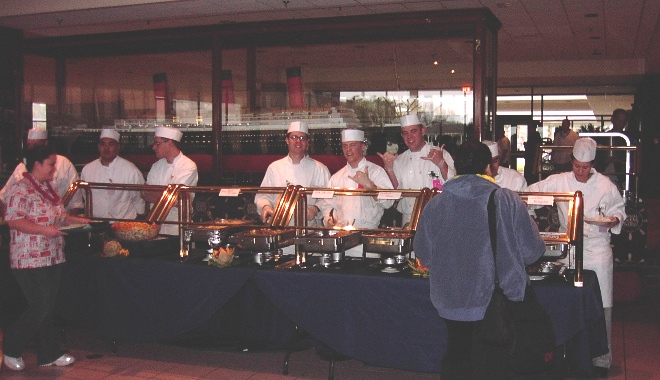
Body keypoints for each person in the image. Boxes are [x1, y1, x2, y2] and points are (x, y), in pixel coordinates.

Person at [414, 140, 545, 379]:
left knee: (458, 357)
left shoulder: (435, 204)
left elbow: (423, 253)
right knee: (493, 364)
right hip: (496, 301)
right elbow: (532, 251)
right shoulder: (506, 200)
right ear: (488, 167)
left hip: (451, 301)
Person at [527, 137, 626, 377]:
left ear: (593, 164)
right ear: (571, 161)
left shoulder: (605, 185)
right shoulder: (559, 181)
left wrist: (614, 219)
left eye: (586, 167)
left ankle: (601, 358)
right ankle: (568, 354)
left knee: (601, 305)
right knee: (569, 302)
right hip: (568, 250)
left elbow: (619, 210)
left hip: (598, 249)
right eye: (577, 166)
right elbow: (530, 195)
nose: (581, 171)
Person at [2, 145, 91, 371]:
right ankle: (11, 347)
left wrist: (74, 220)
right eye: (51, 164)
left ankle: (49, 354)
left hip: (52, 255)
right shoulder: (20, 189)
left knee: (46, 307)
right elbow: (14, 220)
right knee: (40, 306)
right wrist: (46, 231)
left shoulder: (48, 188)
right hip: (29, 258)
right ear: (37, 164)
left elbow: (56, 216)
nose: (54, 169)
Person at [377, 114, 455, 226]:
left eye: (413, 131)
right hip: (409, 219)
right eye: (405, 133)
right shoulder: (399, 160)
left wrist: (441, 163)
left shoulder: (440, 153)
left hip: (438, 217)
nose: (409, 137)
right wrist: (389, 169)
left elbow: (454, 184)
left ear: (422, 131)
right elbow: (396, 192)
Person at [254, 121, 330, 225]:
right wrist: (265, 207)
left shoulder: (320, 169)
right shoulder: (274, 167)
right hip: (279, 226)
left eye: (302, 138)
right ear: (287, 140)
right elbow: (263, 195)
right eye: (294, 137)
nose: (298, 141)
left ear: (307, 142)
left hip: (310, 228)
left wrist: (315, 209)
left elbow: (328, 198)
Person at [322, 128, 393, 229]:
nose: (348, 150)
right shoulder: (337, 177)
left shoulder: (376, 171)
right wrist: (328, 219)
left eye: (353, 145)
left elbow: (389, 203)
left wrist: (371, 187)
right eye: (345, 146)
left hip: (368, 233)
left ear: (363, 147)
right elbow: (327, 204)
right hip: (341, 233)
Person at [0, 128, 83, 214]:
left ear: (45, 143)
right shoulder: (20, 176)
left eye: (35, 145)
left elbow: (76, 203)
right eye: (29, 145)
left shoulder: (63, 163)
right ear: (37, 165)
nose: (32, 149)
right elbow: (3, 199)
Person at [141, 126, 198, 235]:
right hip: (154, 225)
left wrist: (161, 196)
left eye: (157, 143)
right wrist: (167, 196)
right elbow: (144, 193)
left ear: (170, 143)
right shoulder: (156, 165)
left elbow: (176, 199)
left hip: (178, 226)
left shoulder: (188, 165)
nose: (154, 147)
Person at [80, 129, 145, 220]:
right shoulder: (87, 169)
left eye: (111, 144)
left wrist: (139, 219)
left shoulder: (130, 170)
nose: (106, 148)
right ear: (98, 147)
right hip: (96, 222)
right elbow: (85, 196)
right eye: (103, 144)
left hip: (124, 222)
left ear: (118, 147)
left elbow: (138, 198)